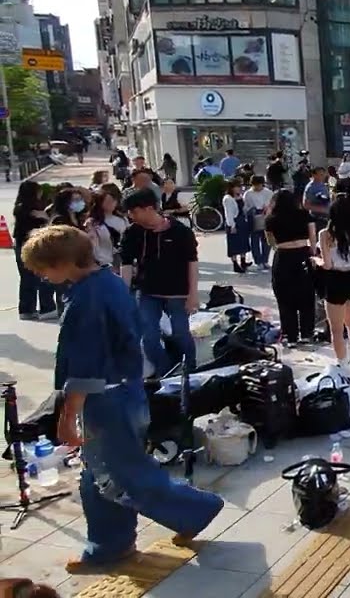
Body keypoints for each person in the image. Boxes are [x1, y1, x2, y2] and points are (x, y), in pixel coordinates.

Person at [20, 225, 225, 572]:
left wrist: (68, 417)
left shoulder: (87, 300)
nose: (40, 275)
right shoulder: (108, 282)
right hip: (126, 392)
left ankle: (196, 509)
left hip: (106, 400)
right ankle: (109, 545)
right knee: (100, 477)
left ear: (63, 263)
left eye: (42, 268)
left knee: (126, 473)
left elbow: (86, 367)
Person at [120, 189, 199, 378]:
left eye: (134, 211)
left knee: (180, 333)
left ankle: (190, 367)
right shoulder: (133, 232)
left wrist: (192, 294)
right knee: (149, 338)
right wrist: (123, 295)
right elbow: (126, 264)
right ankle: (166, 373)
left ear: (148, 209)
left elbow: (192, 263)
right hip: (148, 292)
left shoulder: (180, 231)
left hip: (177, 293)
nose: (130, 216)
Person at [314, 194, 350, 374]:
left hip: (335, 280)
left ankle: (344, 366)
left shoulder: (326, 234)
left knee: (336, 329)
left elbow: (327, 264)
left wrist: (315, 260)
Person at [266, 190, 318, 346]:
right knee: (307, 295)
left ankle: (290, 334)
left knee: (284, 297)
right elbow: (313, 237)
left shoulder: (271, 219)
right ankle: (307, 333)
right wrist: (313, 253)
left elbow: (270, 242)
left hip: (283, 256)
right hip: (303, 253)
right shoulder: (304, 215)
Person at [13, 180, 57, 320]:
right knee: (38, 276)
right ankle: (45, 307)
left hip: (21, 244)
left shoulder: (20, 208)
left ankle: (27, 309)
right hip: (29, 245)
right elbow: (43, 218)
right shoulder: (28, 209)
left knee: (27, 278)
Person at [85, 188, 124, 271]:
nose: (112, 204)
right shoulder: (93, 223)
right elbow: (93, 245)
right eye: (108, 201)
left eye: (113, 201)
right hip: (103, 264)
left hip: (120, 260)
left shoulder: (122, 219)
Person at [243, 175, 273, 270]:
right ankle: (258, 260)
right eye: (255, 185)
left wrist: (268, 209)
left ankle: (265, 260)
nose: (257, 187)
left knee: (266, 240)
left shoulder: (268, 193)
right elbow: (245, 207)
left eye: (259, 185)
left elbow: (272, 204)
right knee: (254, 240)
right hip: (254, 217)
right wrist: (251, 210)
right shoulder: (248, 194)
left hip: (266, 216)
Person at [222, 180, 251, 274]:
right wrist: (232, 225)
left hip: (242, 221)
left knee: (243, 242)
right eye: (237, 187)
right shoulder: (228, 198)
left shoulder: (239, 197)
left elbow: (243, 208)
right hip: (234, 222)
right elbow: (229, 213)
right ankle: (235, 264)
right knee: (234, 244)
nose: (239, 188)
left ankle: (243, 261)